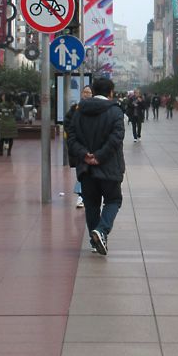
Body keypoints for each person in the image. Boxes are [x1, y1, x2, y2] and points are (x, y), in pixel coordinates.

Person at [67, 77, 126, 255]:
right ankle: (101, 231)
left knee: (91, 204)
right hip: (109, 167)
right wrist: (99, 157)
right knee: (113, 200)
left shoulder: (79, 111)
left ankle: (96, 243)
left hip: (86, 168)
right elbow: (116, 138)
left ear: (93, 91)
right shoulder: (115, 111)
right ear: (110, 92)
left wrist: (85, 155)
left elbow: (71, 137)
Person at [64, 85, 93, 209]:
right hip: (79, 146)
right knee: (82, 171)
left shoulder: (95, 108)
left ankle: (87, 195)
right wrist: (73, 138)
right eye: (85, 92)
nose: (86, 94)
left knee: (88, 171)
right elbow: (67, 123)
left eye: (89, 92)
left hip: (92, 145)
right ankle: (81, 196)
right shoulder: (75, 108)